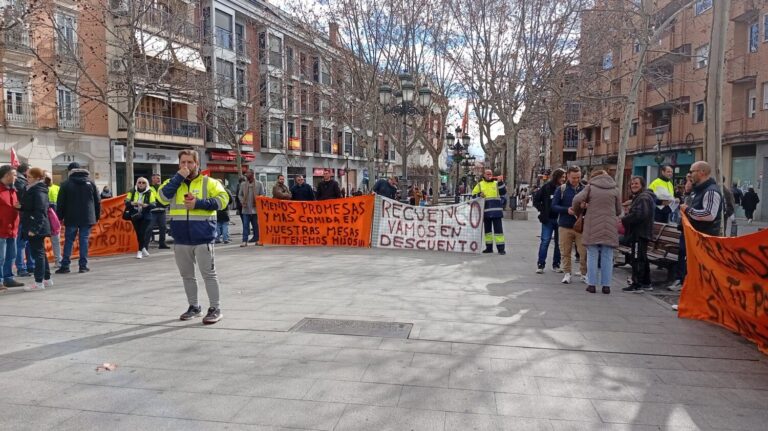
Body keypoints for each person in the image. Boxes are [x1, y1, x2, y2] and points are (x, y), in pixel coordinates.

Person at [157, 149, 229, 324]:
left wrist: (199, 203)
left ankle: (215, 308)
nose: (186, 166)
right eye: (183, 162)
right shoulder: (172, 183)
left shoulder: (209, 182)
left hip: (203, 236)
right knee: (187, 276)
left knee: (209, 274)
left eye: (190, 162)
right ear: (178, 164)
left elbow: (224, 200)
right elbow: (162, 198)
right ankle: (194, 307)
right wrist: (178, 178)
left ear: (197, 164)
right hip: (181, 238)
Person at [572, 170, 621, 294]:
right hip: (609, 226)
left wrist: (578, 211)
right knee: (607, 255)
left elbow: (576, 200)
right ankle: (606, 286)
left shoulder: (590, 188)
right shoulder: (615, 189)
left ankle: (592, 284)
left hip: (592, 224)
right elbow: (619, 210)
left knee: (592, 254)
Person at [56, 162, 101, 274]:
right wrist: (96, 216)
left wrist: (59, 217)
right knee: (84, 240)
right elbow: (98, 201)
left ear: (70, 171)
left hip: (71, 216)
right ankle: (83, 266)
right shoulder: (91, 183)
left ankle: (65, 265)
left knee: (69, 241)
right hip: (87, 217)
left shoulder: (66, 184)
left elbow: (60, 203)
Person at [552, 166, 587, 284]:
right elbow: (554, 206)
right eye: (573, 177)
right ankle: (567, 273)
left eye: (578, 177)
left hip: (581, 226)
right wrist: (567, 210)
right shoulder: (561, 189)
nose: (576, 180)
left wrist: (586, 207)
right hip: (565, 225)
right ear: (568, 176)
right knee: (565, 251)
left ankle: (584, 273)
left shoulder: (586, 189)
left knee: (584, 252)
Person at [19, 167, 52, 291]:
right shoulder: (33, 188)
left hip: (36, 227)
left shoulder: (38, 190)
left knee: (37, 254)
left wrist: (34, 228)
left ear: (37, 178)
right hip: (35, 225)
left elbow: (40, 211)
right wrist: (21, 207)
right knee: (41, 253)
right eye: (26, 176)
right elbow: (31, 206)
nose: (26, 179)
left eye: (29, 177)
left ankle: (39, 282)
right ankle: (47, 279)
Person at [621, 176, 656, 293]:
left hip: (640, 233)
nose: (633, 186)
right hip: (641, 232)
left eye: (636, 183)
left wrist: (625, 219)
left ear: (642, 185)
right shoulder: (641, 197)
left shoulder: (643, 198)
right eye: (632, 184)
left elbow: (640, 215)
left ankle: (637, 284)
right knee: (642, 257)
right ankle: (646, 282)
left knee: (637, 258)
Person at [533, 168, 565, 274]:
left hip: (560, 219)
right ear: (557, 177)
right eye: (562, 177)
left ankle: (556, 264)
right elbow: (536, 199)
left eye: (564, 177)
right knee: (545, 241)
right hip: (548, 219)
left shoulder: (564, 188)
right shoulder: (547, 187)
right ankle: (541, 264)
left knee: (559, 243)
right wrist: (542, 210)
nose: (563, 179)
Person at [681, 161, 722, 237]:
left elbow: (709, 214)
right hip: (693, 234)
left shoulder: (711, 191)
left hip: (703, 237)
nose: (690, 175)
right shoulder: (698, 189)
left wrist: (688, 210)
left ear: (702, 172)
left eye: (692, 171)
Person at [472, 169, 507, 255]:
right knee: (487, 232)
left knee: (498, 232)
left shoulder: (496, 183)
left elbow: (503, 193)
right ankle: (489, 248)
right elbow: (473, 195)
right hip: (486, 212)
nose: (489, 175)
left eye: (490, 174)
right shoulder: (480, 185)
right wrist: (479, 195)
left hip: (496, 212)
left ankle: (501, 249)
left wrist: (501, 182)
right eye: (487, 174)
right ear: (484, 175)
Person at [0, 165, 23, 289]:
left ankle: (8, 278)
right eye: (14, 175)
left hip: (12, 228)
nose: (16, 177)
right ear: (7, 175)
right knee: (1, 257)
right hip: (1, 229)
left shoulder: (13, 190)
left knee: (11, 255)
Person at [125, 177, 156, 259]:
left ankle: (139, 251)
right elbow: (126, 202)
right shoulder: (132, 191)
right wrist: (132, 203)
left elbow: (153, 204)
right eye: (139, 182)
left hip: (146, 215)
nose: (141, 184)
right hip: (135, 215)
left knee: (142, 232)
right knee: (138, 233)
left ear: (146, 184)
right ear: (137, 183)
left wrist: (146, 205)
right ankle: (143, 248)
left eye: (143, 183)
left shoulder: (150, 192)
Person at [14, 162, 33, 277]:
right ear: (26, 171)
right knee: (22, 243)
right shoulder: (21, 182)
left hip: (24, 216)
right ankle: (22, 268)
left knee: (26, 243)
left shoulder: (22, 181)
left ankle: (29, 266)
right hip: (22, 216)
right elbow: (24, 199)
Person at [237, 169, 265, 247]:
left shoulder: (259, 184)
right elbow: (240, 195)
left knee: (256, 226)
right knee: (245, 226)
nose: (246, 175)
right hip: (246, 209)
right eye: (246, 174)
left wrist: (258, 199)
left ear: (252, 174)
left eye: (248, 173)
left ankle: (258, 240)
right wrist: (242, 201)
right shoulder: (243, 184)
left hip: (255, 210)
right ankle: (244, 241)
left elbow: (262, 194)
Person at [149, 173, 169, 249]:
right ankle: (145, 244)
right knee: (149, 228)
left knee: (163, 228)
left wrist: (166, 204)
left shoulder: (162, 187)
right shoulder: (149, 188)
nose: (158, 179)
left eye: (159, 178)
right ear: (152, 179)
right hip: (152, 211)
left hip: (162, 211)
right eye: (156, 178)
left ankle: (162, 244)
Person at [44, 176, 61, 268]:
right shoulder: (40, 189)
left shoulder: (57, 188)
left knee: (55, 241)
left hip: (54, 217)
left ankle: (58, 260)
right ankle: (42, 262)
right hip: (45, 217)